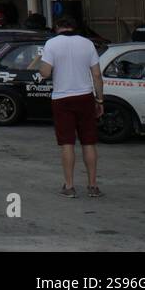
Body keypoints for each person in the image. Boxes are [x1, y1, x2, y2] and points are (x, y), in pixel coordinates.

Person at [33, 15, 105, 198]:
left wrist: (40, 64)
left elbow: (46, 72)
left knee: (67, 143)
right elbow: (97, 75)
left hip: (62, 98)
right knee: (89, 142)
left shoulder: (51, 44)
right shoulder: (87, 44)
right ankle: (93, 186)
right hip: (85, 97)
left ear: (57, 27)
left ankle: (69, 186)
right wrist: (100, 100)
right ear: (74, 27)